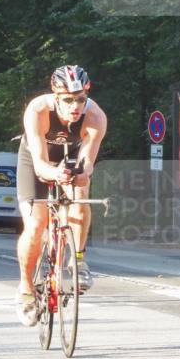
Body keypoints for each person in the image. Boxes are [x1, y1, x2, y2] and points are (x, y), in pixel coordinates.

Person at [15, 65, 107, 326]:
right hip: (38, 158)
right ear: (56, 97)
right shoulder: (38, 111)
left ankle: (78, 262)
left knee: (80, 193)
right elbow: (40, 165)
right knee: (36, 224)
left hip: (71, 156)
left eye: (80, 99)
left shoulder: (96, 117)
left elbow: (87, 162)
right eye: (68, 100)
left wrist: (81, 174)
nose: (75, 106)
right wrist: (55, 174)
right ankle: (25, 288)